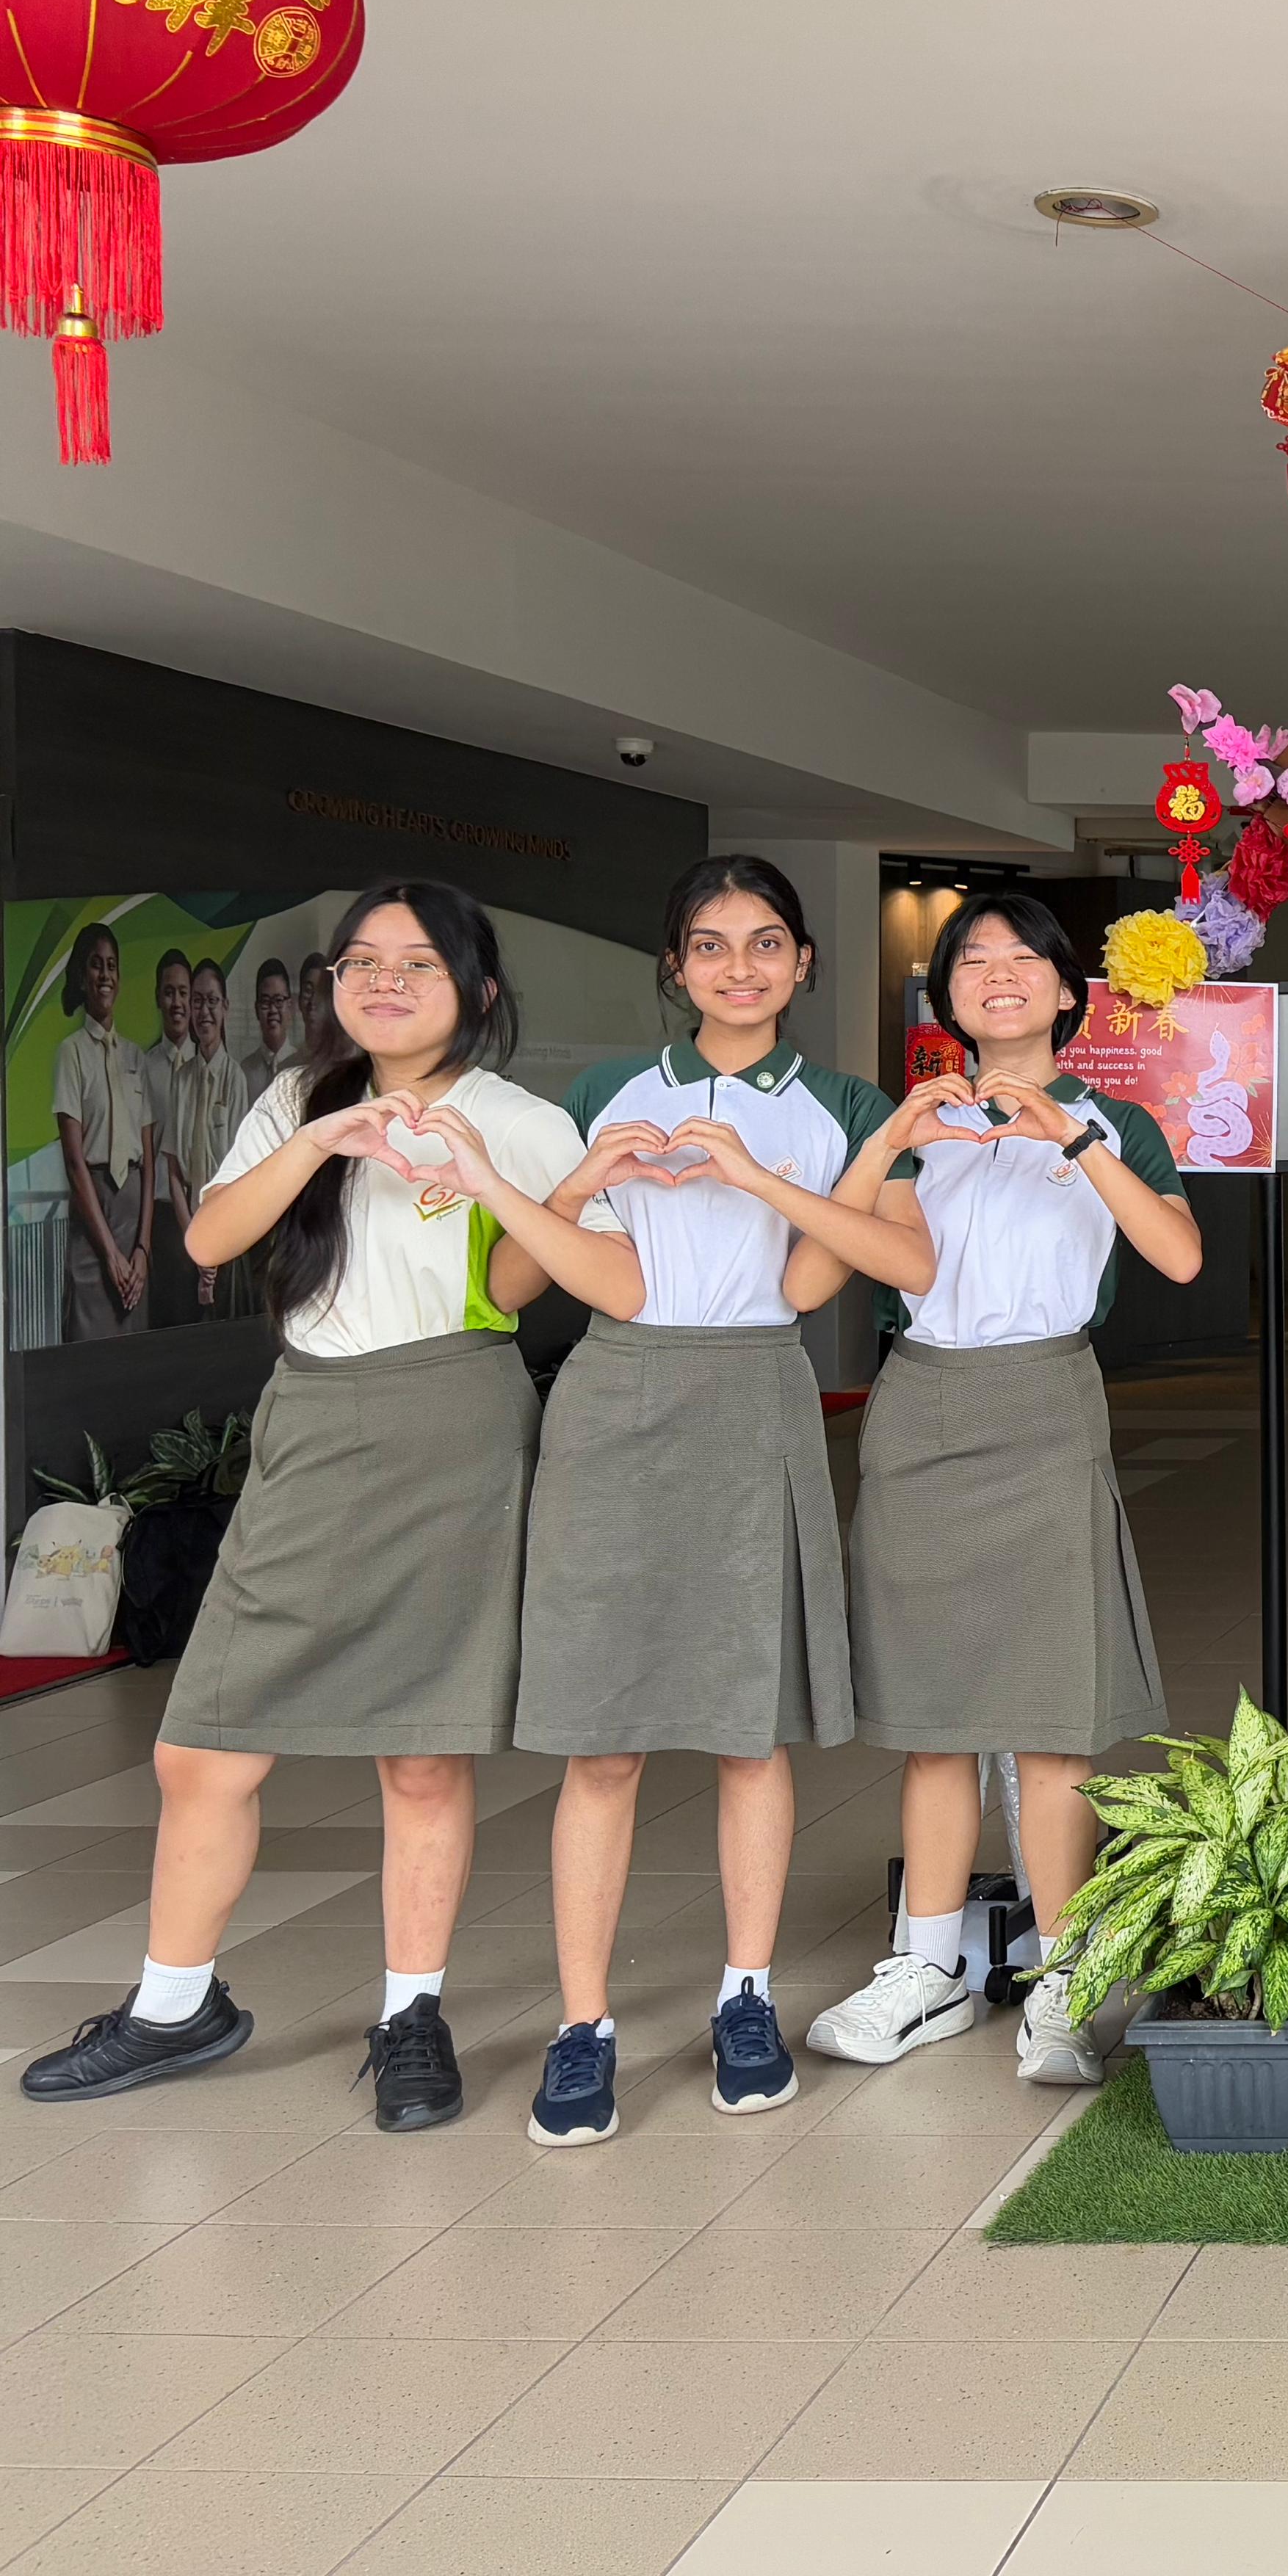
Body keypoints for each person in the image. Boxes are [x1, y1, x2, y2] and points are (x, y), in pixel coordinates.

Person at [19, 884, 580, 2129]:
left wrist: (481, 1178)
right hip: (312, 1421)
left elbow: (522, 1285)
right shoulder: (292, 1100)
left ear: (478, 989)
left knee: (421, 1753)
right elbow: (212, 1241)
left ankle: (412, 2017)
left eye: (419, 962)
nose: (385, 981)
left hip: (454, 1422)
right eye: (362, 961)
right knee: (202, 1745)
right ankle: (177, 2006)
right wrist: (326, 1139)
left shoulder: (523, 1122)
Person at [477, 856, 916, 2148]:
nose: (739, 967)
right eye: (711, 945)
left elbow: (855, 1272)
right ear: (675, 966)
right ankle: (583, 2024)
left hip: (757, 1395)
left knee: (747, 1729)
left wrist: (754, 1175)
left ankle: (745, 1998)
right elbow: (514, 1286)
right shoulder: (604, 1096)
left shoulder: (848, 1106)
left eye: (766, 942)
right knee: (601, 1738)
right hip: (613, 1401)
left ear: (803, 962)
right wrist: (578, 1182)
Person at [803, 890, 1201, 2087]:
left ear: (1070, 991)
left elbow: (1178, 1256)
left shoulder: (1114, 1121)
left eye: (1026, 956)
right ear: (948, 998)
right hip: (922, 1407)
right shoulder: (911, 1125)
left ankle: (1066, 1978)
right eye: (973, 959)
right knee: (934, 1715)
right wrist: (892, 1143)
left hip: (1046, 1404)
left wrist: (1069, 1139)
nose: (1000, 972)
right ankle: (925, 1968)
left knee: (1051, 1715)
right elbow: (851, 1261)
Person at [49, 922, 157, 1339]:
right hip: (92, 1218)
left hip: (133, 1218)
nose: (106, 974)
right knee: (87, 1344)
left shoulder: (135, 1057)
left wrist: (142, 1249)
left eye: (112, 965)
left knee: (134, 1349)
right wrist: (110, 1254)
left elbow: (149, 1161)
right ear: (82, 977)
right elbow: (74, 1162)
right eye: (96, 965)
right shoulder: (71, 1054)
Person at [175, 956, 253, 1317]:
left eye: (211, 1001)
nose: (203, 1011)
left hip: (228, 1235)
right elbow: (172, 1169)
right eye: (197, 1001)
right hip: (186, 1233)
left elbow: (240, 1171)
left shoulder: (236, 1079)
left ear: (225, 1008)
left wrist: (213, 1243)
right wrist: (193, 1237)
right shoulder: (181, 1079)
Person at [146, 950, 201, 1321]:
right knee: (168, 1318)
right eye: (169, 993)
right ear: (158, 998)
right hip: (163, 1217)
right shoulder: (143, 1066)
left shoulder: (209, 1064)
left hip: (206, 1209)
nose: (177, 1002)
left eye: (183, 993)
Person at [244, 954, 299, 1096]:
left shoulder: (301, 1066)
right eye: (266, 1002)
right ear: (256, 1010)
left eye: (279, 1001)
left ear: (290, 1006)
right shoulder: (244, 1072)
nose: (273, 1010)